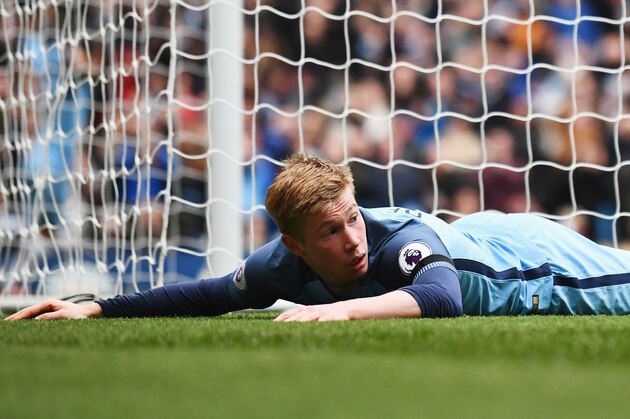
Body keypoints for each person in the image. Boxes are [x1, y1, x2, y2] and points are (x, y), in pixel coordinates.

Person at [6, 153, 630, 322]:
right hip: (482, 238)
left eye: (353, 217)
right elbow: (208, 295)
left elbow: (442, 299)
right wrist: (95, 306)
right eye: (330, 231)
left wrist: (337, 314)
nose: (352, 238)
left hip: (530, 267)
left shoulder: (395, 241)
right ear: (296, 244)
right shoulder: (280, 265)